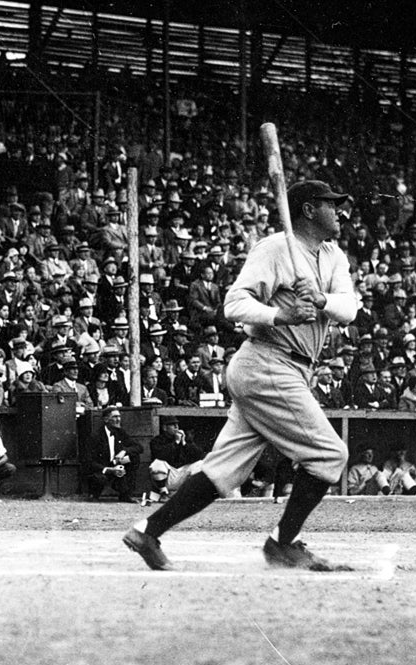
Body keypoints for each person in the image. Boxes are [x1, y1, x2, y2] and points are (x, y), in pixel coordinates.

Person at [124, 180, 358, 572]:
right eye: (331, 204)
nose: (340, 212)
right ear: (307, 210)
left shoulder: (333, 256)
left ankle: (147, 531)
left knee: (223, 470)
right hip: (267, 361)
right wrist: (279, 314)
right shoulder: (274, 248)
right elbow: (234, 303)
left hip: (293, 368)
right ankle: (283, 542)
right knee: (330, 454)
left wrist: (320, 300)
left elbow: (348, 309)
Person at [81, 406, 142, 502]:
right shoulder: (95, 436)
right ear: (106, 419)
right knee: (98, 478)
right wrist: (108, 469)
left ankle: (126, 495)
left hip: (115, 465)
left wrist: (124, 451)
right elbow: (88, 461)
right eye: (115, 417)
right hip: (101, 469)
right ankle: (94, 495)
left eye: (119, 417)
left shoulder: (120, 432)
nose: (118, 420)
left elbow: (138, 447)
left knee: (134, 458)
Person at [146, 415, 205, 501]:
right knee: (157, 463)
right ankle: (164, 494)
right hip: (167, 479)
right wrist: (176, 442)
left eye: (177, 424)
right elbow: (161, 455)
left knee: (200, 464)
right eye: (172, 425)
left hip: (181, 476)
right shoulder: (157, 440)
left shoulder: (185, 439)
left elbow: (198, 455)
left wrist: (184, 443)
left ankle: (190, 494)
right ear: (165, 428)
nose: (176, 427)